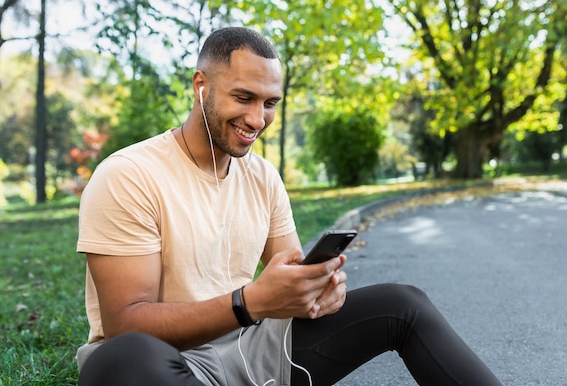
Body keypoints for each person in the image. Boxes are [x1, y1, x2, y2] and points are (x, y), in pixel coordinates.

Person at [75, 26, 503, 386]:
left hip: (253, 352)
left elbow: (290, 275)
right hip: (168, 365)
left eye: (270, 103)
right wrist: (249, 303)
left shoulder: (262, 177)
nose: (258, 119)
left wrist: (316, 291)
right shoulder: (129, 174)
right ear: (200, 85)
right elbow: (125, 322)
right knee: (125, 355)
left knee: (403, 303)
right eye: (243, 98)